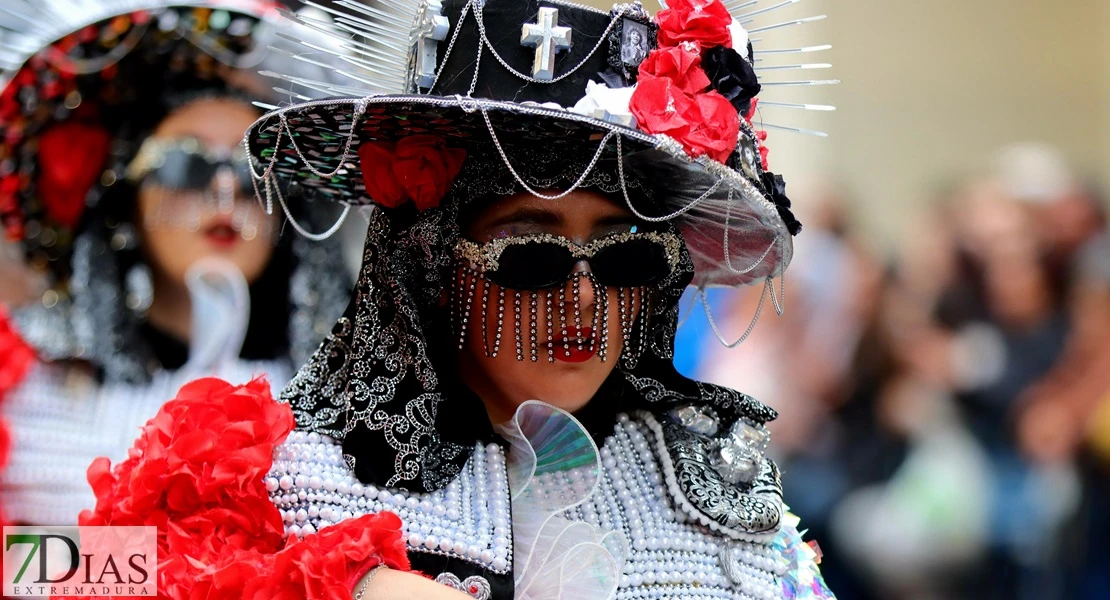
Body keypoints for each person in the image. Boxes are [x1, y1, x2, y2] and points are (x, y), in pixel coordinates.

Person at [80, 0, 836, 598]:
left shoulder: (717, 507)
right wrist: (340, 583)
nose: (583, 297)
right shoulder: (290, 477)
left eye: (625, 256)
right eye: (531, 258)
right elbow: (87, 574)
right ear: (434, 262)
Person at [0, 0, 350, 525]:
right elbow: (23, 573)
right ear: (126, 196)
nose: (226, 188)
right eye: (189, 162)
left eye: (257, 166)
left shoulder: (350, 412)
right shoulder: (30, 396)